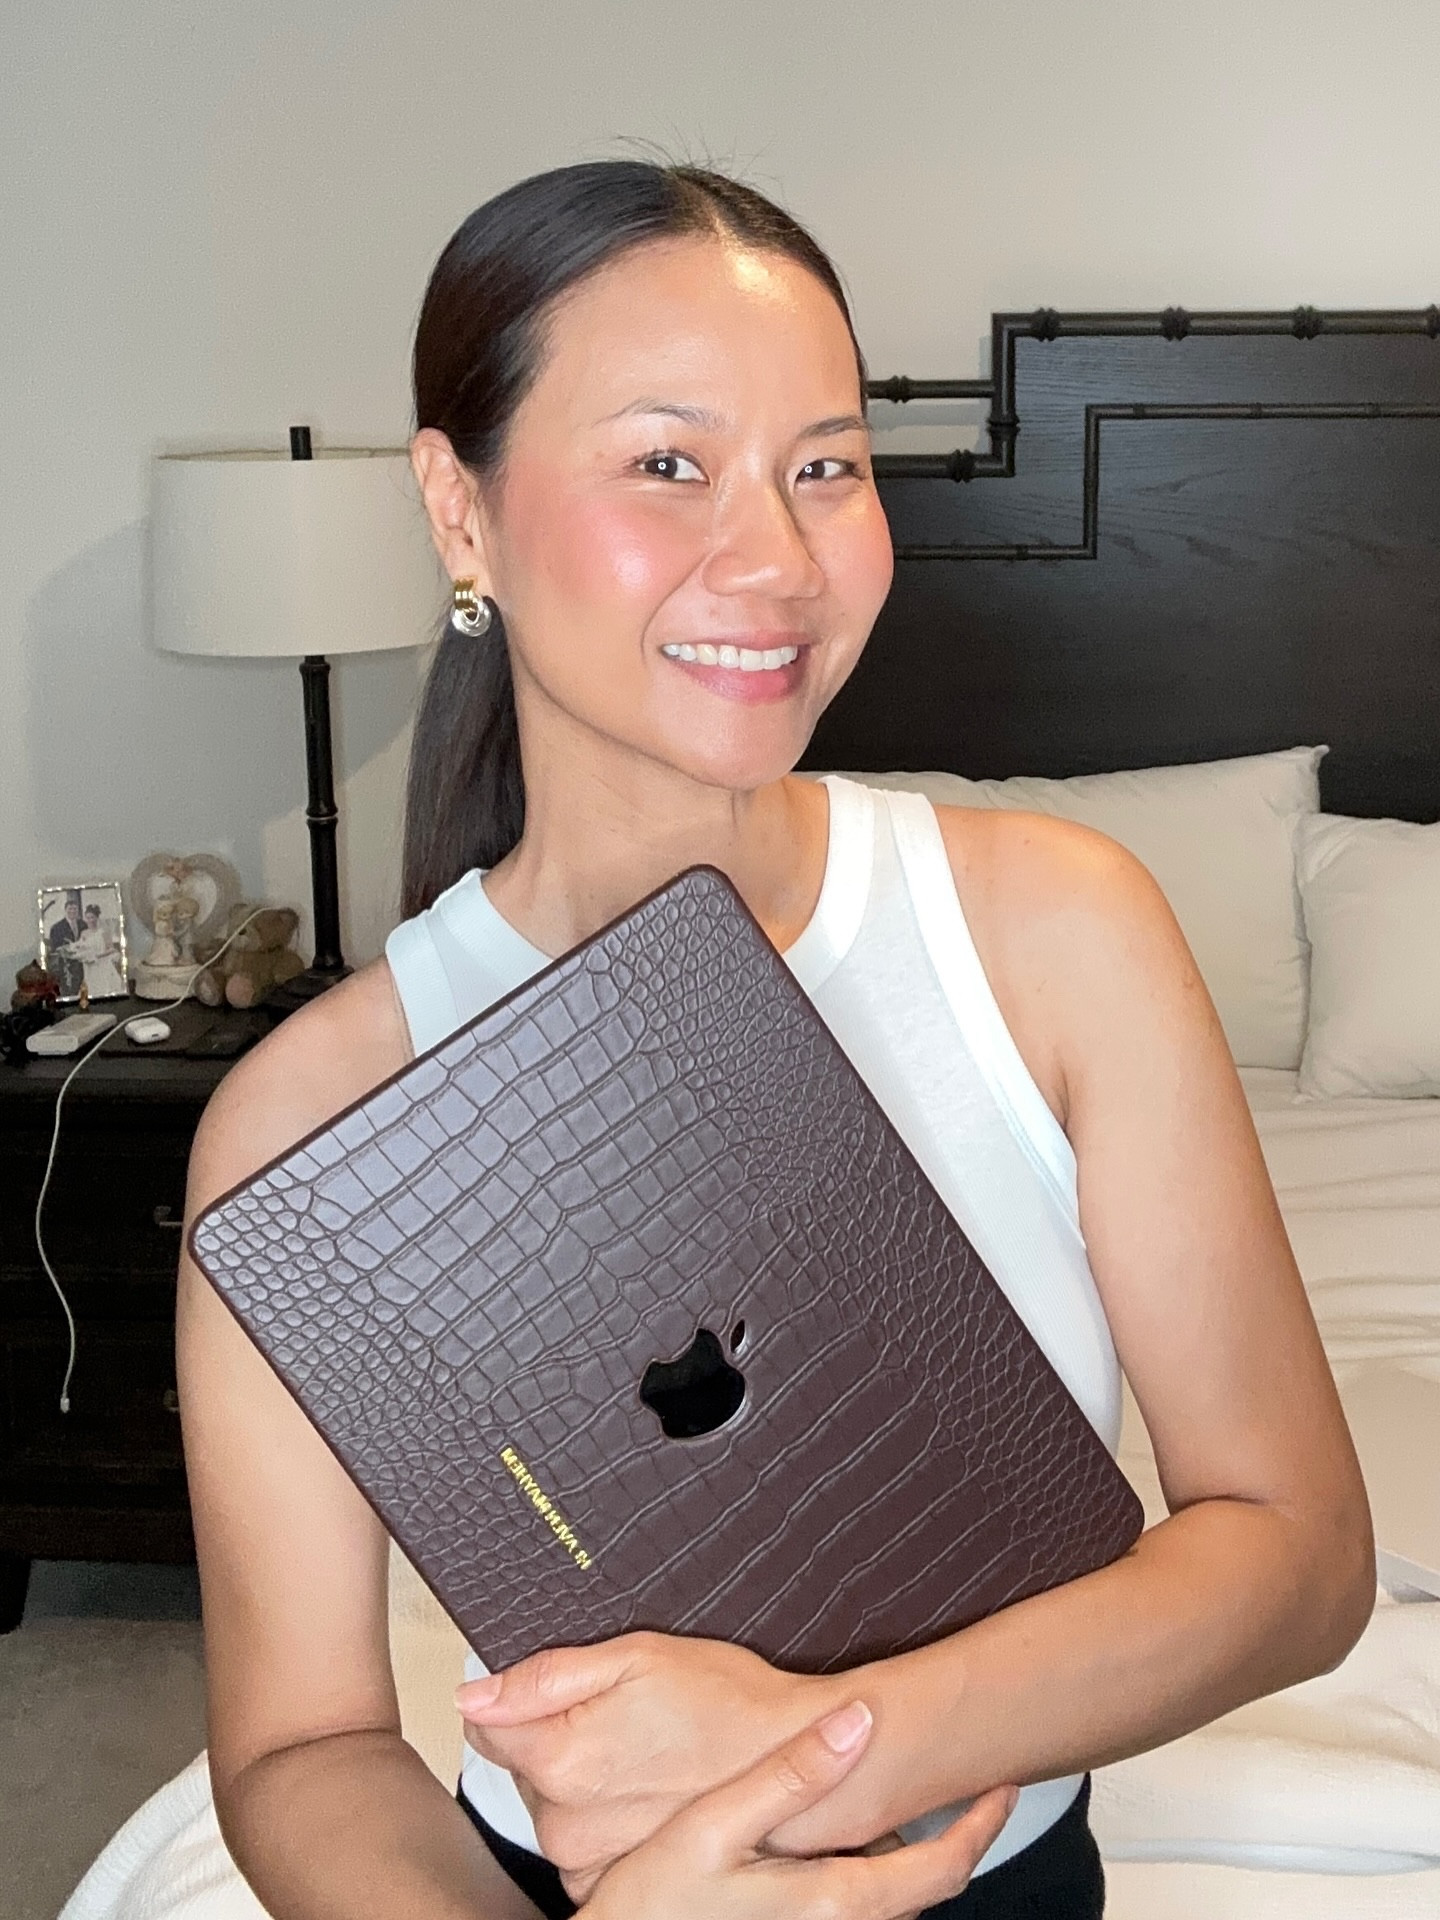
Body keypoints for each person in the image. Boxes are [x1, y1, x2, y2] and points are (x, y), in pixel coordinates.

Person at [177, 161, 1374, 1920]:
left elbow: (1299, 1555)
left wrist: (835, 1751)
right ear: (459, 509)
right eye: (670, 465)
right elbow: (302, 1749)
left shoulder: (1055, 930)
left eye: (825, 464)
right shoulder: (318, 1117)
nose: (781, 556)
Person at [73, 901, 127, 999]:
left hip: (102, 964)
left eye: (92, 917)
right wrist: (82, 955)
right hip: (89, 966)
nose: (90, 920)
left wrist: (97, 955)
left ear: (97, 918)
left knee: (104, 988)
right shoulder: (84, 933)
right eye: (88, 917)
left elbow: (111, 949)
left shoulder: (103, 932)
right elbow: (81, 948)